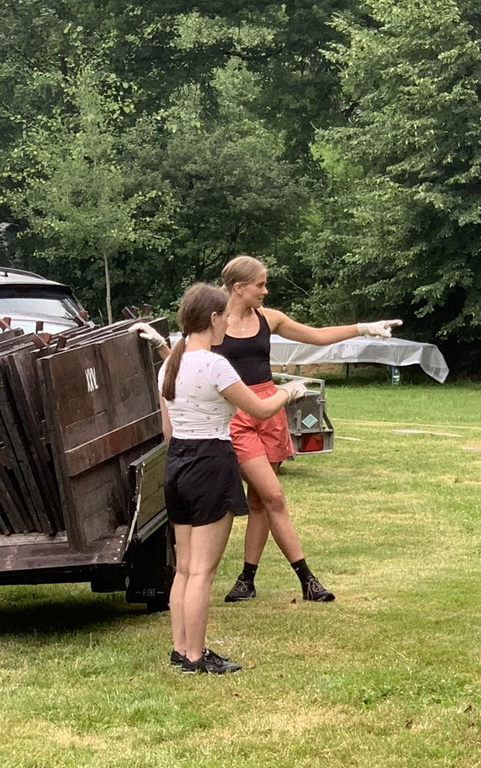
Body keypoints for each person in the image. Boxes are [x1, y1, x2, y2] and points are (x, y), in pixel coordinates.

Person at [212, 255, 402, 604]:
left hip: (270, 407)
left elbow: (316, 337)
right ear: (239, 288)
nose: (265, 291)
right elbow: (189, 356)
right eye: (260, 285)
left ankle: (246, 580)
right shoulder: (214, 320)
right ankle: (307, 579)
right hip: (236, 414)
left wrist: (363, 328)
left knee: (259, 501)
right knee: (274, 496)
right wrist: (161, 348)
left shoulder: (269, 318)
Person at [148, 283, 307, 674]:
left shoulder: (169, 365)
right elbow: (260, 409)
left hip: (177, 464)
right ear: (213, 318)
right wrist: (289, 392)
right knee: (203, 571)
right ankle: (196, 656)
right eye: (224, 317)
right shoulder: (214, 365)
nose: (227, 324)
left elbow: (167, 433)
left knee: (185, 568)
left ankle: (181, 650)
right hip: (210, 463)